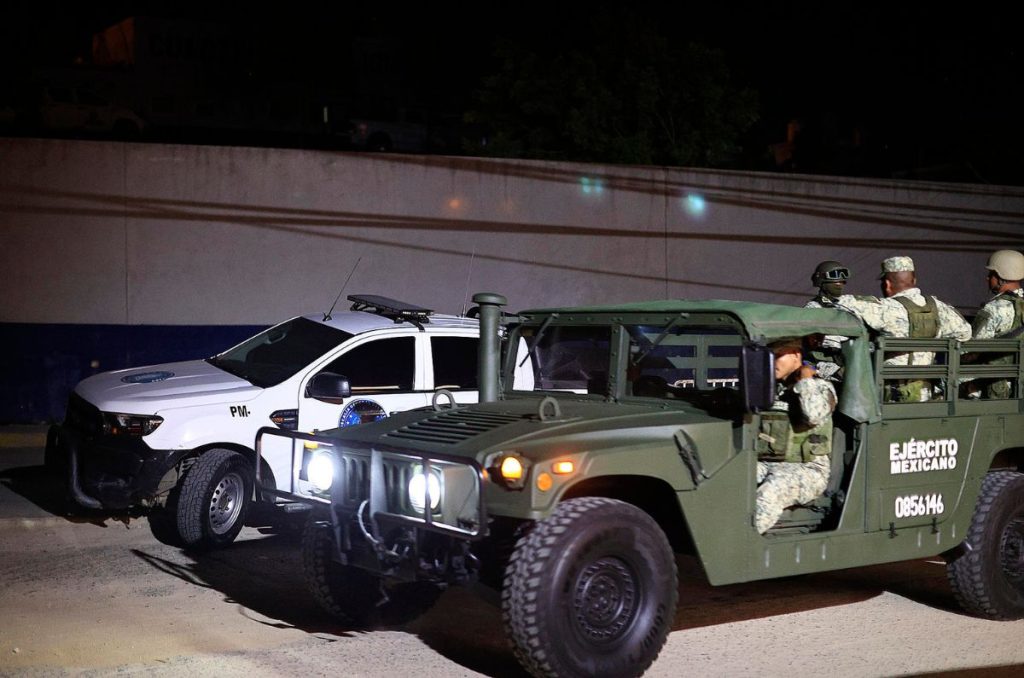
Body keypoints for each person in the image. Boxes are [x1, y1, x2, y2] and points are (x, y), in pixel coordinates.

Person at [835, 256, 971, 400]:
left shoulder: (886, 309)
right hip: (925, 393)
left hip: (890, 396)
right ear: (914, 281)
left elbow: (841, 302)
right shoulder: (939, 307)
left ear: (887, 284)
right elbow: (965, 332)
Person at [755, 338, 837, 534]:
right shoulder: (771, 388)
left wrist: (805, 381)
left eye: (778, 356)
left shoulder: (820, 387)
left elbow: (813, 415)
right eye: (769, 356)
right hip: (767, 462)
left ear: (796, 355)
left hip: (807, 469)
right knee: (731, 477)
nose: (772, 361)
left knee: (771, 491)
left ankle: (739, 545)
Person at [968, 249, 1024, 399]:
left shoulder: (994, 308)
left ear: (1001, 278)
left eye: (991, 274)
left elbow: (972, 349)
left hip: (997, 387)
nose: (987, 279)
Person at [804, 260, 850, 381]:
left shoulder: (846, 306)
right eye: (835, 279)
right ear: (822, 281)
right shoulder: (813, 308)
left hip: (847, 362)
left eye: (841, 280)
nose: (839, 283)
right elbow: (829, 341)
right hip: (825, 365)